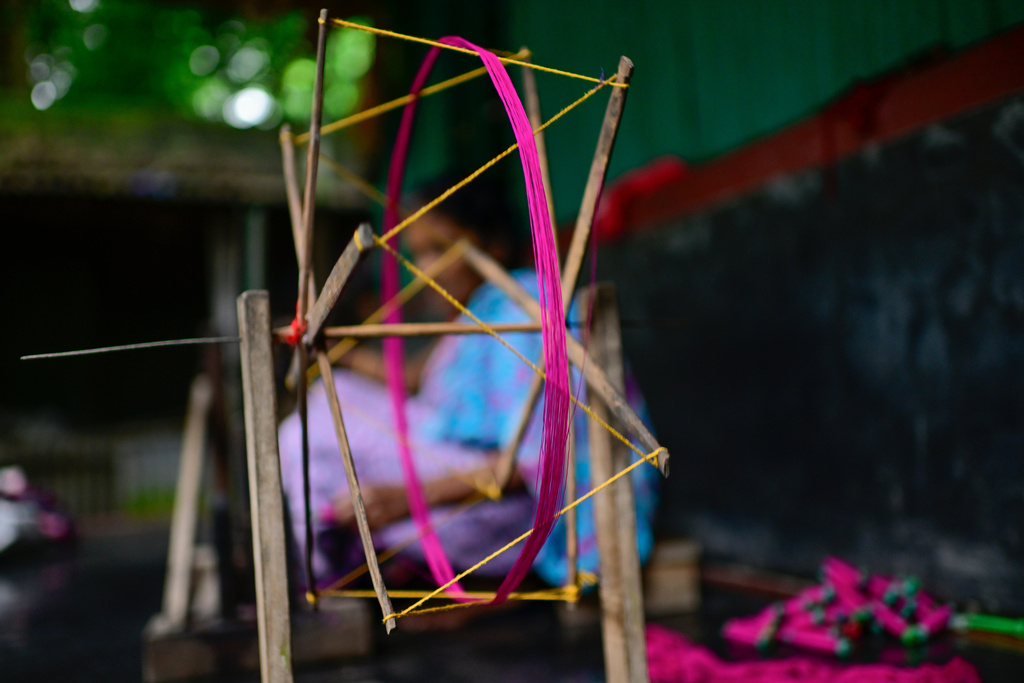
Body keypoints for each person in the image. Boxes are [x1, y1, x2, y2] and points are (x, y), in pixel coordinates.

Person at [277, 173, 660, 594]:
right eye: (417, 254)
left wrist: (406, 498)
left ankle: (337, 573)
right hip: (470, 487)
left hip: (522, 516)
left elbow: (541, 460)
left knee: (303, 435)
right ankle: (349, 562)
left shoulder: (520, 310)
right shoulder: (476, 317)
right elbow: (412, 379)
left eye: (439, 249)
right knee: (330, 397)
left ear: (492, 245)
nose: (424, 270)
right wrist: (334, 349)